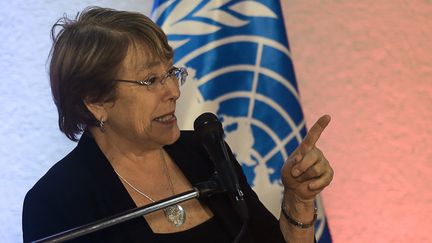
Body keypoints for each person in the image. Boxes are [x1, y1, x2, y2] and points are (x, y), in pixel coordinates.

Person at [22, 6, 334, 243]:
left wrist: (298, 198)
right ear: (96, 101)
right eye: (150, 80)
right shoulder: (56, 201)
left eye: (171, 73)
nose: (173, 91)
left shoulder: (205, 152)